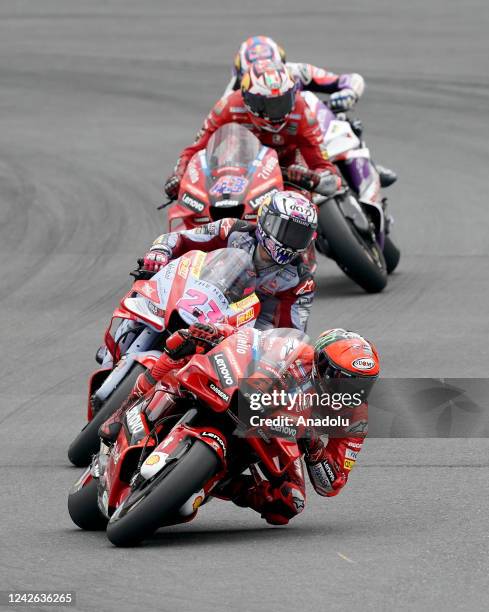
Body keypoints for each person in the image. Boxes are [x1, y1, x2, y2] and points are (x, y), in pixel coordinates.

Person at [101, 324, 379, 526]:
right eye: (341, 378)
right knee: (180, 343)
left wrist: (314, 446)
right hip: (241, 395)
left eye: (361, 384)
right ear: (321, 363)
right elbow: (250, 339)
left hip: (276, 437)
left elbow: (331, 485)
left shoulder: (355, 419)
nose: (349, 390)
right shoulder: (296, 351)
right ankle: (127, 408)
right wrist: (215, 332)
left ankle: (218, 483)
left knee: (290, 503)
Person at [223, 35, 396, 187]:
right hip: (269, 152)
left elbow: (350, 80)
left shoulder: (298, 72)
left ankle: (369, 168)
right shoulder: (230, 97)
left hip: (311, 131)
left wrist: (348, 93)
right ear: (240, 75)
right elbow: (219, 138)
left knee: (347, 124)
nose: (263, 76)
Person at [163, 59, 342, 202]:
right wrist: (179, 176)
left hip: (289, 170)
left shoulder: (301, 111)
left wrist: (311, 177)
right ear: (247, 99)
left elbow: (328, 174)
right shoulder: (228, 107)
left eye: (282, 102)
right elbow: (195, 149)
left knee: (299, 208)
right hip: (239, 173)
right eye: (267, 104)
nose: (276, 113)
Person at [143, 190, 319, 331]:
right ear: (266, 219)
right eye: (286, 229)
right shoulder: (231, 230)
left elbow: (291, 333)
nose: (291, 240)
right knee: (144, 292)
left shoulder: (300, 281)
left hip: (237, 333)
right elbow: (181, 238)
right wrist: (161, 250)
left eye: (299, 235)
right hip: (193, 299)